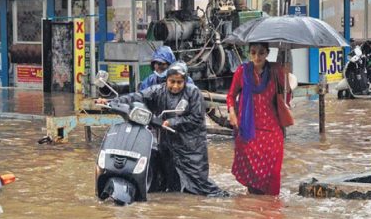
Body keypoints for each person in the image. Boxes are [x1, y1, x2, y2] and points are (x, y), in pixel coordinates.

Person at [98, 62, 226, 197]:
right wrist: (111, 102)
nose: (175, 86)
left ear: (185, 81)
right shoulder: (158, 91)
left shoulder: (193, 93)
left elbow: (196, 119)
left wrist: (172, 122)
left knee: (200, 186)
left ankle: (223, 198)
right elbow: (138, 96)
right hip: (168, 143)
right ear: (167, 80)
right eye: (172, 81)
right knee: (169, 184)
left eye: (179, 82)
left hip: (190, 148)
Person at [226, 42, 291, 195]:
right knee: (252, 175)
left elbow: (286, 97)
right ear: (249, 54)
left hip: (272, 129)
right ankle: (255, 209)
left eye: (261, 53)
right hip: (248, 129)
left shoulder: (276, 70)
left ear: (267, 53)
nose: (257, 57)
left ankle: (272, 209)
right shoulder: (242, 71)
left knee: (274, 173)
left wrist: (286, 76)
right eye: (253, 52)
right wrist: (232, 112)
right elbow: (231, 95)